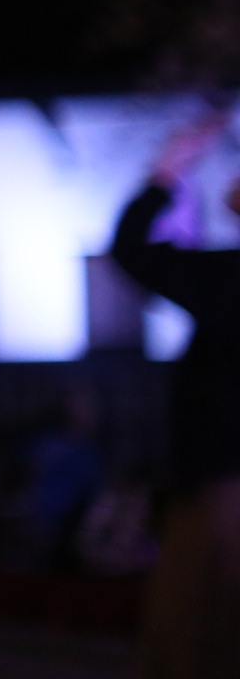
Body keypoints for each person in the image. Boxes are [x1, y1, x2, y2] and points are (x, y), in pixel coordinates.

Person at [113, 110, 240, 679]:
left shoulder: (226, 281)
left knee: (197, 627)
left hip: (221, 479)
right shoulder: (223, 276)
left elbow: (133, 251)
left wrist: (167, 171)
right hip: (214, 473)